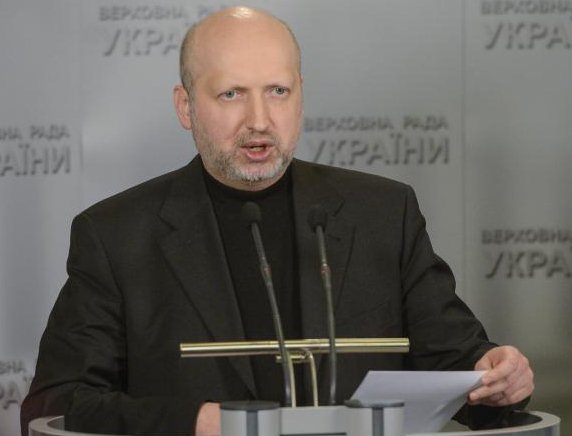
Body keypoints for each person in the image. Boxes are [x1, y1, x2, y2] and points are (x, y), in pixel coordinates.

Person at [21, 6, 534, 436]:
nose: (260, 120)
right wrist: (195, 423)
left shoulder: (383, 212)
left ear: (301, 94)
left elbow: (459, 364)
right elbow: (55, 406)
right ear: (185, 106)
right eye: (231, 94)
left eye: (278, 91)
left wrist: (497, 375)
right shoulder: (116, 235)